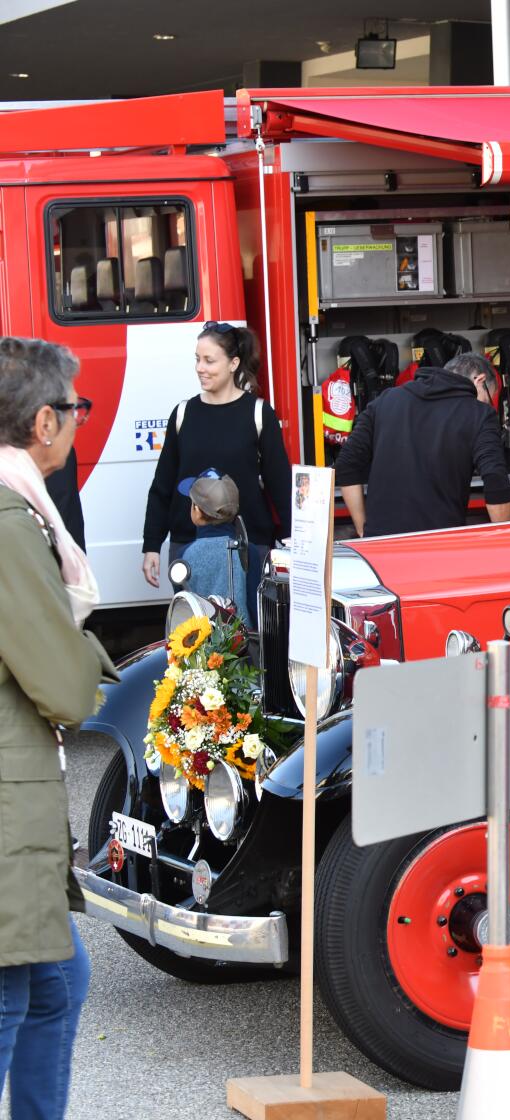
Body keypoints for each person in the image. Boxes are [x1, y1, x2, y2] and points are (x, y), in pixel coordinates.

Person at [0, 337, 117, 1119]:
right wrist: (95, 661)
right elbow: (64, 686)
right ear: (45, 421)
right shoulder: (11, 517)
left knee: (57, 982)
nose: (78, 420)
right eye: (75, 408)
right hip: (7, 800)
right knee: (13, 995)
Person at [141, 323, 290, 618]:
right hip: (188, 544)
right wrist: (151, 545)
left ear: (234, 363)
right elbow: (163, 484)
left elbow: (280, 484)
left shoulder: (259, 413)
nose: (200, 368)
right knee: (194, 638)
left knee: (250, 638)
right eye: (197, 359)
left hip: (249, 547)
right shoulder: (184, 413)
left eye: (209, 360)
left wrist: (291, 543)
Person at [336, 352, 510, 537]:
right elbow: (495, 477)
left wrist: (363, 529)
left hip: (379, 545)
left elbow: (347, 464)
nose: (487, 405)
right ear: (479, 379)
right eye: (488, 399)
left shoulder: (385, 400)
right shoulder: (479, 414)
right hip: (438, 544)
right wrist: (504, 538)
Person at [174, 469, 249, 625]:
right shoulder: (248, 550)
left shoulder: (184, 554)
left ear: (196, 511)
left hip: (201, 644)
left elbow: (182, 606)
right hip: (244, 641)